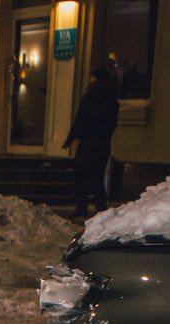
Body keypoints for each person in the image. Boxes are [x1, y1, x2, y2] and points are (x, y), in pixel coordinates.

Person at [63, 67, 119, 217]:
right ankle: (101, 207)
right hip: (103, 144)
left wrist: (70, 138)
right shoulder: (112, 99)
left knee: (80, 174)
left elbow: (80, 119)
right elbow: (112, 124)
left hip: (88, 142)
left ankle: (82, 207)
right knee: (97, 176)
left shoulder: (90, 95)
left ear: (94, 78)